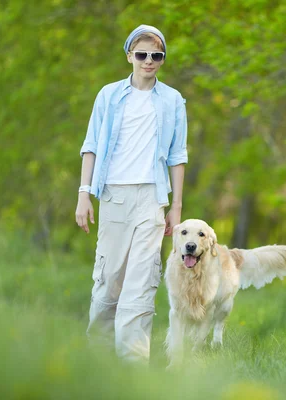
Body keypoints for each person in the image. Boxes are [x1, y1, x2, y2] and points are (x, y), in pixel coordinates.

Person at [75, 24, 187, 364]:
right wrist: (84, 194)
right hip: (113, 197)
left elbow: (178, 155)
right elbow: (91, 145)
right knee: (109, 281)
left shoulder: (173, 100)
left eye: (156, 55)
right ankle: (98, 362)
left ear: (162, 59)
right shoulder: (108, 96)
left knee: (141, 285)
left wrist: (176, 208)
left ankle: (132, 371)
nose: (149, 61)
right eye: (142, 54)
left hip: (152, 199)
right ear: (129, 56)